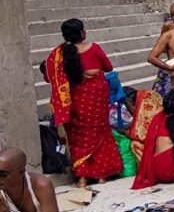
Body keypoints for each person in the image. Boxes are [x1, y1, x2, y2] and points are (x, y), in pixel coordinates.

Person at [45, 18, 123, 187]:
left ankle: (82, 178)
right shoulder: (94, 48)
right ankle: (102, 175)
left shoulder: (59, 54)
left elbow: (48, 75)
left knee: (79, 138)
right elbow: (108, 68)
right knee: (100, 132)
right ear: (82, 32)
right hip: (96, 99)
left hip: (74, 101)